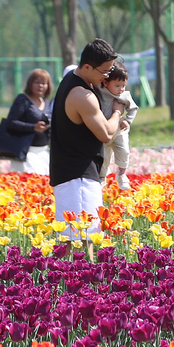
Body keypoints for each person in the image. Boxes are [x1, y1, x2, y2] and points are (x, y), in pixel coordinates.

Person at [50, 39, 125, 243]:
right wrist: (117, 112)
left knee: (75, 238)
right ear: (87, 67)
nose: (107, 76)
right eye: (105, 71)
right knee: (84, 238)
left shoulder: (72, 80)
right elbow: (106, 134)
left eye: (110, 70)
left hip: (70, 172)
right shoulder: (82, 95)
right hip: (78, 177)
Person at [0, 69, 52, 174]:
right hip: (26, 152)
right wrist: (33, 127)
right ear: (30, 83)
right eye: (37, 82)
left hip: (43, 152)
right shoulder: (23, 99)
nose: (40, 86)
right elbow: (11, 122)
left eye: (44, 83)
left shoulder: (46, 102)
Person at [101, 64, 139, 192]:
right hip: (103, 130)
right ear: (106, 83)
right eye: (117, 85)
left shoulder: (125, 96)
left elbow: (133, 108)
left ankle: (122, 174)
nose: (121, 89)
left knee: (124, 151)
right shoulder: (100, 92)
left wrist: (127, 121)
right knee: (104, 155)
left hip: (119, 130)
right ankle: (102, 176)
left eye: (123, 85)